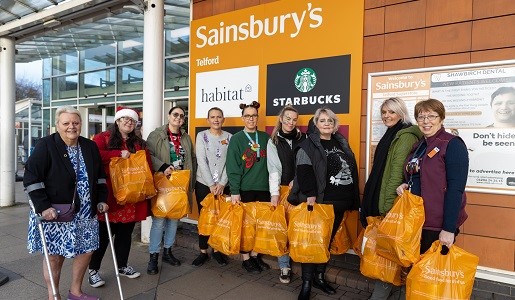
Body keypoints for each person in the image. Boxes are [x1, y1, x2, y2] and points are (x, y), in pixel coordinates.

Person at [24, 106, 108, 300]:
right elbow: (31, 178)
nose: (72, 127)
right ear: (57, 125)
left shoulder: (89, 146)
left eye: (76, 123)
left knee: (87, 250)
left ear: (81, 124)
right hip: (55, 212)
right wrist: (43, 207)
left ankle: (75, 292)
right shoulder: (46, 145)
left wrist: (102, 200)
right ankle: (53, 295)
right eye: (66, 123)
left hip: (86, 211)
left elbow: (100, 178)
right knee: (55, 256)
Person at [289, 107, 360, 300]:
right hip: (321, 202)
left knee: (326, 243)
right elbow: (303, 170)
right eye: (322, 121)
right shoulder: (308, 144)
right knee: (313, 243)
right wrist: (310, 194)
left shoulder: (340, 142)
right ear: (316, 124)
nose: (327, 123)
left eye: (330, 120)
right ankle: (306, 283)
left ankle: (319, 278)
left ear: (334, 123)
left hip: (340, 201)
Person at [396, 98, 469, 276]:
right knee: (416, 273)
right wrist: (407, 184)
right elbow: (419, 175)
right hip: (416, 219)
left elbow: (456, 189)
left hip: (436, 224)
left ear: (441, 118)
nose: (426, 121)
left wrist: (448, 229)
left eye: (431, 116)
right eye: (421, 117)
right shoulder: (420, 145)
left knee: (430, 276)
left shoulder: (452, 144)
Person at [360, 97, 422, 299]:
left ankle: (380, 296)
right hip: (385, 200)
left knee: (388, 252)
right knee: (387, 250)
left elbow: (396, 173)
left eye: (391, 112)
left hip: (390, 204)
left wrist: (386, 207)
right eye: (384, 112)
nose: (387, 116)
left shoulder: (404, 136)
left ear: (401, 113)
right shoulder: (392, 133)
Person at [88, 107, 151, 287]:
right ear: (117, 121)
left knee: (125, 235)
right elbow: (95, 155)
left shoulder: (138, 142)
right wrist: (117, 154)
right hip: (110, 196)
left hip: (132, 196)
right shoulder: (103, 138)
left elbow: (145, 165)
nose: (128, 122)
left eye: (132, 120)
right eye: (124, 119)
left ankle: (122, 265)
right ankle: (93, 270)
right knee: (103, 236)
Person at [146, 106, 197, 275]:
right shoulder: (157, 135)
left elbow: (192, 160)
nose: (178, 118)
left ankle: (167, 252)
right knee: (159, 221)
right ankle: (153, 256)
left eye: (182, 116)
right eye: (175, 114)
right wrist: (162, 166)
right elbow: (148, 155)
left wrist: (191, 184)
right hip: (163, 183)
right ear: (169, 116)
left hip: (180, 184)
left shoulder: (186, 137)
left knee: (174, 219)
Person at [226, 101, 271, 274]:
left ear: (257, 117)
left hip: (264, 189)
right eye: (247, 116)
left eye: (254, 115)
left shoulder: (265, 137)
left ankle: (255, 255)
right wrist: (235, 191)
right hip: (245, 189)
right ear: (242, 118)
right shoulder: (237, 139)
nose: (251, 119)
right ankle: (246, 259)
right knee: (246, 226)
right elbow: (233, 167)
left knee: (260, 226)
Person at [266, 105, 306, 284]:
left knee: (299, 227)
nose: (290, 122)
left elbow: (307, 163)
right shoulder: (273, 140)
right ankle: (284, 266)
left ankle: (304, 261)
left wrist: (297, 180)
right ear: (281, 119)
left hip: (301, 189)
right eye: (287, 118)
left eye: (294, 119)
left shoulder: (303, 138)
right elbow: (273, 168)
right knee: (283, 228)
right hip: (282, 190)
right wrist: (274, 193)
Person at [192, 107, 232, 267]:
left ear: (223, 119)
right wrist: (210, 184)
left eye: (219, 117)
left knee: (220, 218)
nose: (216, 120)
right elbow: (201, 160)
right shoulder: (202, 136)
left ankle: (217, 250)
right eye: (212, 117)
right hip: (203, 184)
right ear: (208, 120)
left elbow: (231, 162)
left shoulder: (230, 137)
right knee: (204, 218)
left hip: (223, 186)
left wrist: (222, 183)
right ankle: (203, 251)